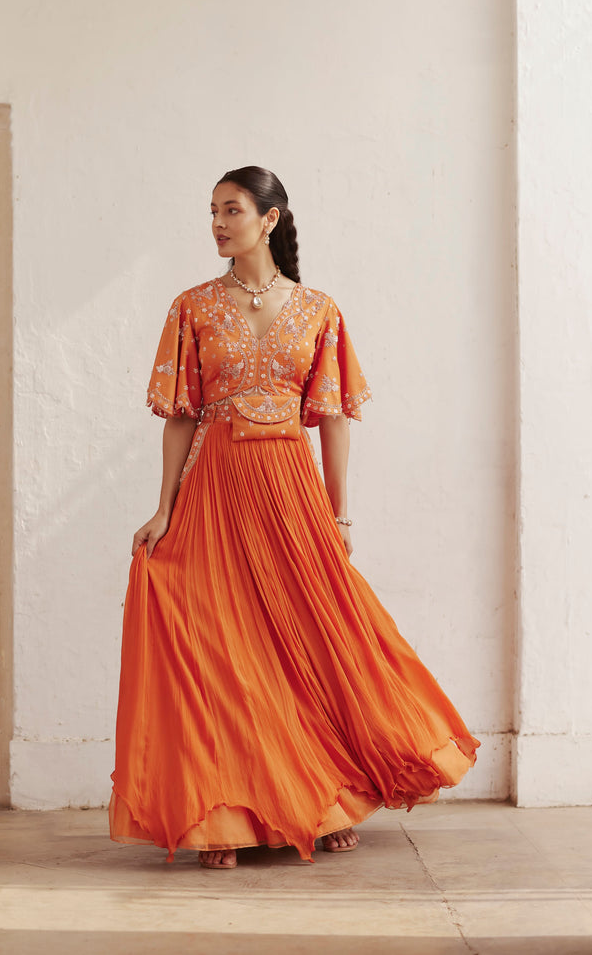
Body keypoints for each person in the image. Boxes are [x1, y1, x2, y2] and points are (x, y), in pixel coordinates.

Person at [109, 166, 478, 869]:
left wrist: (340, 517)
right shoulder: (191, 307)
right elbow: (182, 416)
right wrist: (164, 508)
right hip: (215, 488)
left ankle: (327, 797)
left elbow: (334, 418)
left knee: (313, 642)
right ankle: (226, 815)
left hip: (290, 491)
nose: (218, 223)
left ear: (270, 219)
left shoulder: (319, 310)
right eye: (212, 211)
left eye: (232, 210)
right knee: (223, 649)